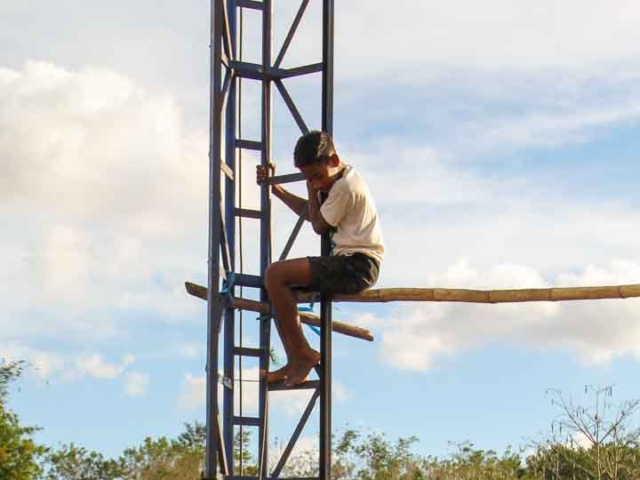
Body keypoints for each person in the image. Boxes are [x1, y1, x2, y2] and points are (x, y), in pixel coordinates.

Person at [256, 130, 384, 386]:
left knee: (275, 274)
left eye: (317, 177)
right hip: (348, 260)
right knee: (276, 286)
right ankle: (296, 357)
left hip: (358, 265)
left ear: (334, 161)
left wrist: (308, 187)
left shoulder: (346, 187)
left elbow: (316, 223)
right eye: (308, 178)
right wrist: (277, 189)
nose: (315, 183)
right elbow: (311, 211)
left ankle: (302, 355)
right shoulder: (335, 182)